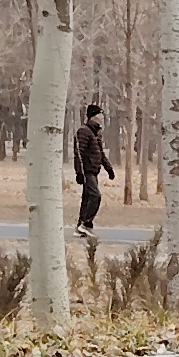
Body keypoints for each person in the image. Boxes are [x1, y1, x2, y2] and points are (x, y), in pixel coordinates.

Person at [73, 101, 113, 249]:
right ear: (93, 116)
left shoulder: (95, 132)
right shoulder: (84, 131)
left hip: (94, 170)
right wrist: (79, 172)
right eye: (100, 115)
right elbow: (78, 153)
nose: (102, 117)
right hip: (87, 171)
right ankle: (86, 223)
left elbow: (100, 153)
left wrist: (108, 168)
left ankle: (80, 226)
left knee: (87, 198)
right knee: (95, 196)